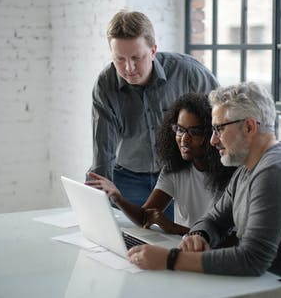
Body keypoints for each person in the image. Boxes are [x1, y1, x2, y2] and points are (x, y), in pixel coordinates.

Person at [127, 82, 281, 298]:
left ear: (249, 127)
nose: (213, 140)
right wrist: (199, 235)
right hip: (258, 288)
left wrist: (169, 259)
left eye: (219, 129)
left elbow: (251, 260)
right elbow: (214, 219)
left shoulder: (276, 172)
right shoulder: (248, 168)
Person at [88, 10, 219, 218]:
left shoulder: (189, 73)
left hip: (179, 174)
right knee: (127, 242)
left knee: (176, 241)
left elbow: (221, 119)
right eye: (119, 59)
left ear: (153, 50)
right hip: (127, 178)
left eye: (136, 58)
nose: (128, 68)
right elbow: (103, 149)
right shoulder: (106, 84)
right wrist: (97, 200)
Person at [86, 93, 235, 235]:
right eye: (180, 130)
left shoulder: (231, 174)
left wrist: (172, 228)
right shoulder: (175, 169)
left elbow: (229, 240)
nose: (184, 139)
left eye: (194, 132)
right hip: (181, 248)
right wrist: (118, 198)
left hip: (214, 256)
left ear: (212, 133)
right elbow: (145, 217)